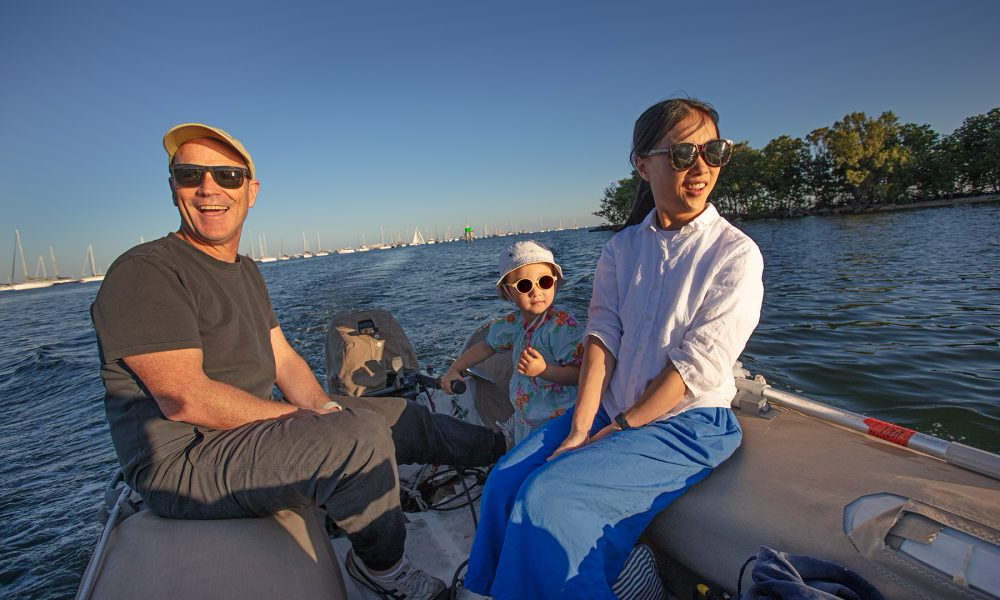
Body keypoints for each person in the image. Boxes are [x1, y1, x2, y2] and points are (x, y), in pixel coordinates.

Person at [90, 123, 507, 600]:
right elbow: (185, 398)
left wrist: (324, 409)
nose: (208, 188)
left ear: (250, 191)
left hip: (244, 431)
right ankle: (384, 571)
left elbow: (283, 358)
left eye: (227, 176)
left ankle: (504, 449)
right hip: (186, 458)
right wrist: (317, 422)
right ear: (173, 188)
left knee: (401, 417)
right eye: (190, 175)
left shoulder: (245, 271)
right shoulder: (146, 271)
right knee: (359, 437)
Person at [458, 98, 764, 599]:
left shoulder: (735, 254)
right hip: (610, 408)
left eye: (713, 151)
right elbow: (601, 338)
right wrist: (583, 427)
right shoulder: (621, 249)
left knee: (549, 499)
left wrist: (618, 430)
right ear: (643, 165)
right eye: (683, 153)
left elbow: (696, 366)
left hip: (686, 422)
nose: (701, 167)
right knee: (504, 483)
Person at [440, 240, 584, 445]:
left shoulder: (562, 326)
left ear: (554, 282)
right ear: (508, 292)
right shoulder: (511, 324)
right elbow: (486, 346)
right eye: (524, 285)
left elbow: (581, 374)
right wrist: (455, 368)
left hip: (558, 424)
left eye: (544, 281)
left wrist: (544, 371)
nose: (535, 291)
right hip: (524, 420)